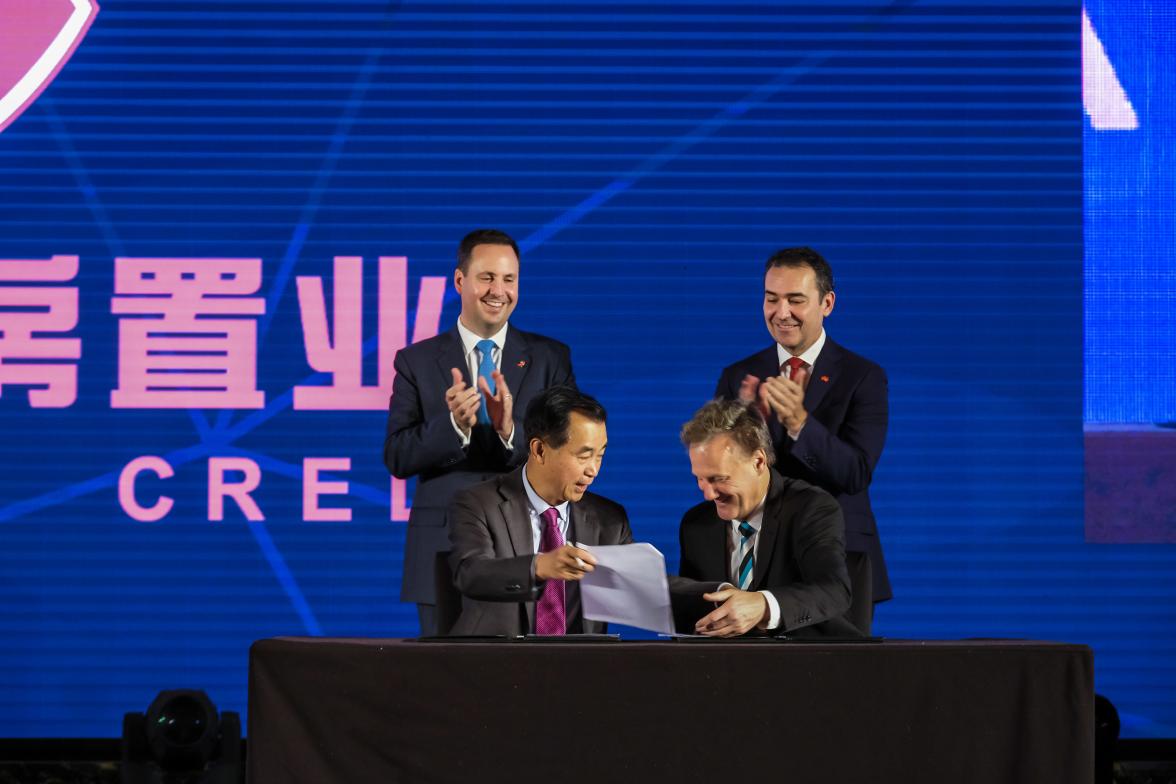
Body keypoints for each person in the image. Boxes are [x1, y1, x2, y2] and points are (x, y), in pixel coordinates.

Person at [384, 229, 575, 635]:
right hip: (443, 552)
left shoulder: (549, 358)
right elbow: (397, 456)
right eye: (486, 277)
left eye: (509, 279)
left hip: (529, 546)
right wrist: (453, 426)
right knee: (444, 684)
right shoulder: (416, 361)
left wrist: (511, 430)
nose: (498, 291)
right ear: (460, 281)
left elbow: (569, 451)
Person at [713, 246, 889, 633]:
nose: (781, 312)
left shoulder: (862, 376)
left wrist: (799, 424)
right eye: (771, 299)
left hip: (838, 563)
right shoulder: (738, 376)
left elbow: (856, 473)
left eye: (796, 300)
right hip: (754, 558)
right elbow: (718, 472)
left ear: (827, 303)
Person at [447, 386, 632, 636]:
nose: (593, 470)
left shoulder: (609, 518)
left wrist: (702, 597)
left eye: (599, 456)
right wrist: (539, 566)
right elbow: (471, 574)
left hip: (580, 667)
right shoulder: (477, 503)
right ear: (539, 450)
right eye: (584, 456)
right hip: (493, 663)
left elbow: (639, 585)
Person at [674, 399, 858, 638]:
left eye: (719, 478)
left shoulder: (811, 508)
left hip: (805, 663)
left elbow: (834, 590)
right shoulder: (696, 524)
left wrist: (763, 605)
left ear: (758, 462)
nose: (708, 494)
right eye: (700, 479)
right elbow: (693, 615)